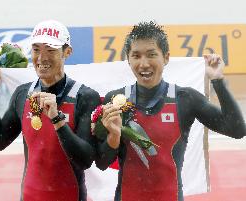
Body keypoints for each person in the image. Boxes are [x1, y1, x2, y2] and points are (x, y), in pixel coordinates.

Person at [95, 21, 246, 201]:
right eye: (136, 56)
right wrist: (113, 136)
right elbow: (102, 163)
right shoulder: (115, 100)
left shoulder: (185, 99)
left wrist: (218, 81)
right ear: (128, 59)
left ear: (166, 58)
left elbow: (237, 130)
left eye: (151, 55)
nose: (143, 64)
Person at [0, 20, 101, 201]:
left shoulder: (85, 97)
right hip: (30, 196)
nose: (42, 58)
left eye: (50, 50)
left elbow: (85, 160)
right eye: (36, 50)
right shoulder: (23, 94)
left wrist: (57, 120)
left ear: (67, 52)